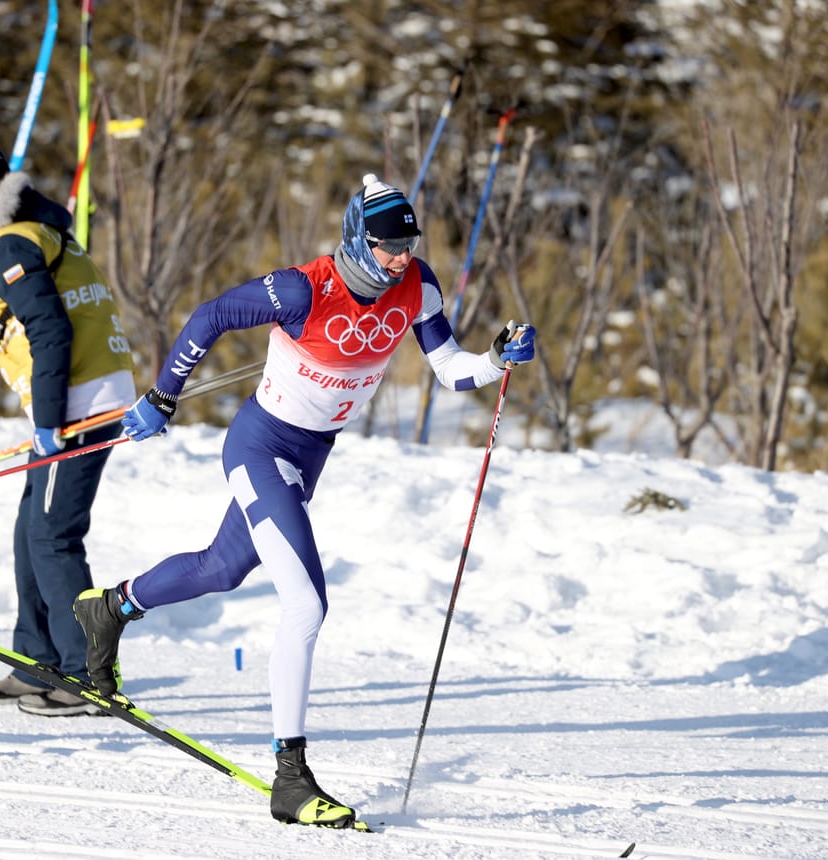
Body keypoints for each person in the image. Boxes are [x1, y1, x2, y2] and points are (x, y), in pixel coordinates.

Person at [73, 173, 537, 825]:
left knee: (223, 568)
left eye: (407, 244)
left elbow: (450, 368)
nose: (399, 257)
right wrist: (162, 397)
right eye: (385, 246)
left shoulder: (418, 286)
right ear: (357, 237)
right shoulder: (304, 288)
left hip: (308, 456)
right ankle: (290, 777)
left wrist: (497, 358)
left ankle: (113, 606)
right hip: (261, 449)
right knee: (306, 604)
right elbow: (211, 317)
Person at [0, 144, 136, 717]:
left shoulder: (7, 244)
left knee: (54, 537)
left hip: (76, 406)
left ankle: (84, 676)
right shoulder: (32, 234)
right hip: (78, 398)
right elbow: (20, 324)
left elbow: (49, 331)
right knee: (32, 530)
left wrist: (52, 422)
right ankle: (38, 660)